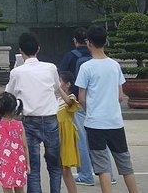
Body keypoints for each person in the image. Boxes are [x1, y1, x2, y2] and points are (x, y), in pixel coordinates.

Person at [75, 26, 138, 193]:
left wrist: (90, 110)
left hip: (95, 123)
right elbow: (120, 96)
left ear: (88, 43)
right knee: (125, 164)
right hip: (115, 122)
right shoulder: (114, 65)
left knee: (103, 167)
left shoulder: (86, 67)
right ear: (106, 42)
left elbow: (81, 97)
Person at [58, 27, 116, 186]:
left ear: (75, 41)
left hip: (78, 103)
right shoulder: (100, 57)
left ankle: (85, 175)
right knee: (101, 140)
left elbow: (61, 77)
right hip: (99, 103)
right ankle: (109, 174)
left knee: (82, 139)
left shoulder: (71, 56)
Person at [5, 32, 62, 193]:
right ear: (38, 49)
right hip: (51, 119)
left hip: (30, 122)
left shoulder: (17, 72)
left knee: (32, 168)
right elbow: (57, 87)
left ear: (20, 51)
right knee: (55, 166)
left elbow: (9, 95)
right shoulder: (51, 68)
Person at [0, 92, 29, 192]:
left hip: (4, 162)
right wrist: (27, 163)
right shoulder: (19, 125)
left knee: (7, 188)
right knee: (20, 188)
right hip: (19, 162)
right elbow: (25, 146)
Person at [57, 71, 80, 193]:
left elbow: (70, 104)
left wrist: (57, 88)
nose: (58, 84)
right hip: (57, 135)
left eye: (60, 81)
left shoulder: (71, 97)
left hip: (67, 135)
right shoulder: (57, 99)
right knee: (61, 167)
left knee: (66, 167)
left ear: (68, 84)